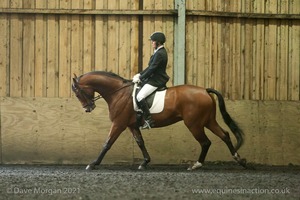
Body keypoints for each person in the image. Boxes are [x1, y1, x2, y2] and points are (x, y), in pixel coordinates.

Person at [132, 32, 169, 129]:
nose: (152, 43)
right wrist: (140, 74)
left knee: (140, 96)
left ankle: (148, 119)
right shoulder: (158, 52)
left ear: (158, 42)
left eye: (153, 41)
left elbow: (152, 69)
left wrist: (140, 78)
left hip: (156, 80)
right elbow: (149, 67)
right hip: (153, 78)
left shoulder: (160, 54)